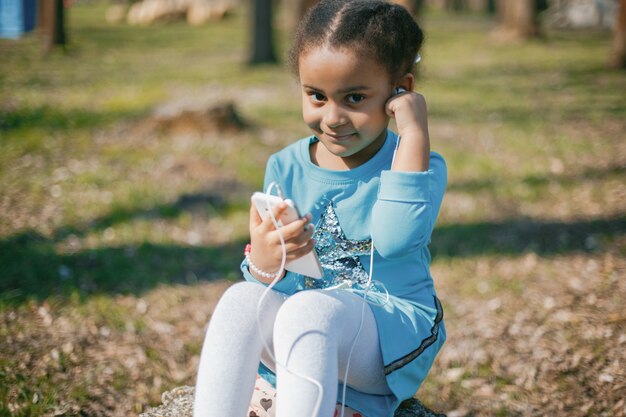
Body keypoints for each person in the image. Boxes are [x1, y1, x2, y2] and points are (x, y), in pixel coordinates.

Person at [193, 0, 447, 416]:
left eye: (354, 97)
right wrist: (262, 260)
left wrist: (414, 132)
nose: (332, 117)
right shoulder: (285, 165)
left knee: (308, 311)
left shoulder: (419, 163)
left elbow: (396, 240)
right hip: (303, 334)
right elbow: (272, 283)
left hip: (388, 334)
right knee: (240, 300)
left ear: (400, 90)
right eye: (316, 95)